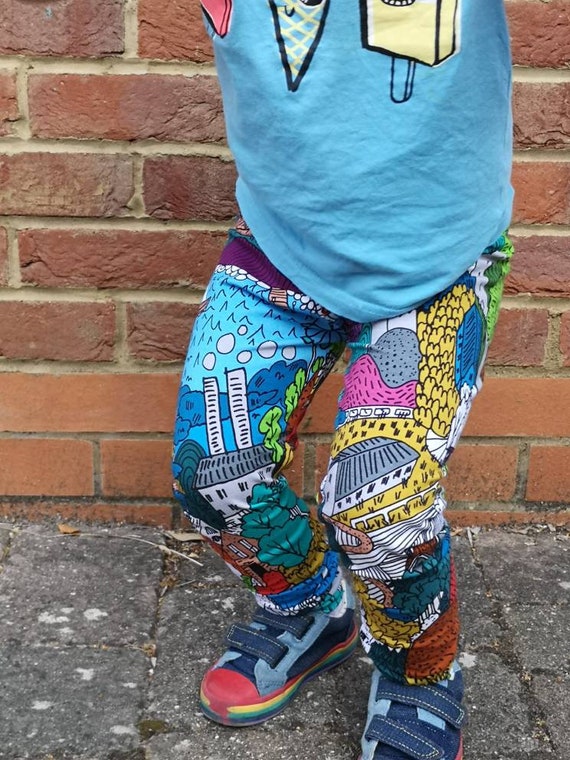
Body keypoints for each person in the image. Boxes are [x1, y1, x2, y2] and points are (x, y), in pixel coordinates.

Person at [172, 1, 514, 757]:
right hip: (280, 245)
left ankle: (420, 675)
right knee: (212, 473)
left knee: (379, 503)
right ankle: (309, 610)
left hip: (435, 262)